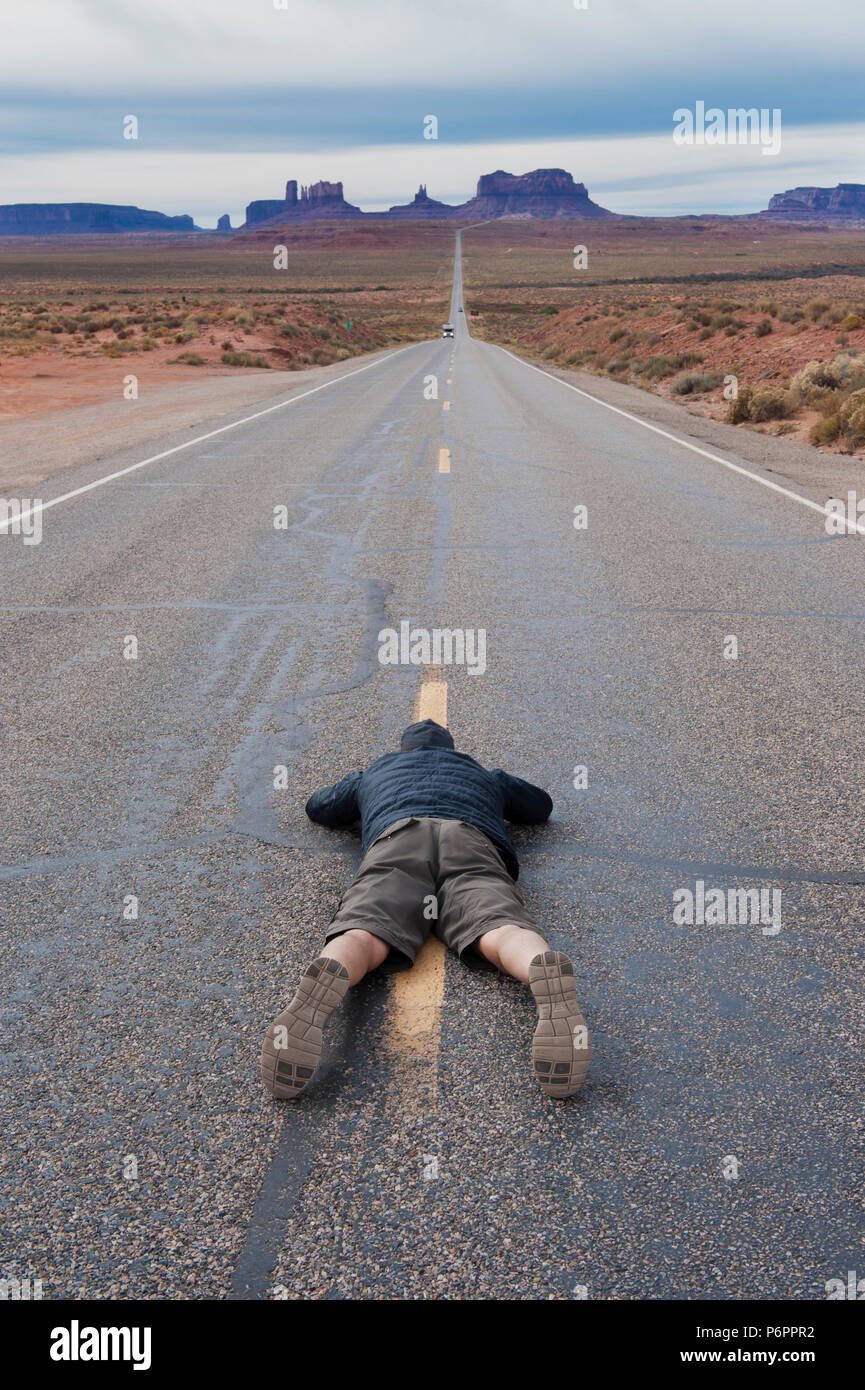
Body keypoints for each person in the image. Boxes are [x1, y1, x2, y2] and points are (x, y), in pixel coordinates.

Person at [260, 718, 589, 1100]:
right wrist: (492, 784)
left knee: (366, 929)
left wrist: (364, 785)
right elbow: (540, 807)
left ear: (405, 748)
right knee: (498, 925)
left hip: (399, 837)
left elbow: (319, 807)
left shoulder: (377, 770)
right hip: (469, 838)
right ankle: (538, 966)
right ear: (450, 749)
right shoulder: (483, 773)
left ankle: (333, 969)